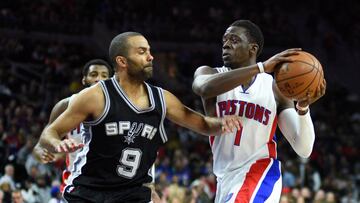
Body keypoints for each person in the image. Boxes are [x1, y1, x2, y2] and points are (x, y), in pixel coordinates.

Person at [38, 32, 242, 203]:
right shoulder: (95, 97)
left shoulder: (162, 99)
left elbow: (203, 124)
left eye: (150, 51)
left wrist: (221, 123)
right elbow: (50, 131)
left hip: (132, 193)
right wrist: (56, 143)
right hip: (90, 192)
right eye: (142, 52)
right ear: (122, 61)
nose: (151, 57)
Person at [192, 20, 326, 203]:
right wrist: (261, 67)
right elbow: (203, 88)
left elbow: (303, 148)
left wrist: (303, 108)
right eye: (224, 40)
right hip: (225, 179)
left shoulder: (273, 87)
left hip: (260, 173)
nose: (226, 44)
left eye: (234, 39)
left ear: (252, 48)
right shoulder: (210, 73)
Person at [32, 59, 113, 192]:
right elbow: (40, 146)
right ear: (84, 79)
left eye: (104, 76)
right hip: (77, 184)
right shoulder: (65, 105)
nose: (99, 79)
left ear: (111, 81)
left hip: (111, 185)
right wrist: (43, 153)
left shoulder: (121, 109)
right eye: (93, 74)